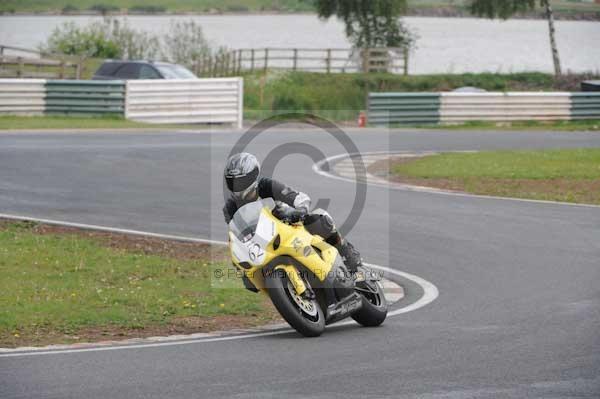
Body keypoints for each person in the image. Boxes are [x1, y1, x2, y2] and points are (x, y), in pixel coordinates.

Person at [223, 152, 363, 272]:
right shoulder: (230, 207)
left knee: (319, 218)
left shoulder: (267, 185)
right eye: (233, 181)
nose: (237, 185)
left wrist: (300, 209)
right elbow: (235, 235)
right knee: (245, 275)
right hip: (263, 243)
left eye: (241, 180)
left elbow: (295, 196)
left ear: (253, 176)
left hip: (288, 224)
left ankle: (346, 252)